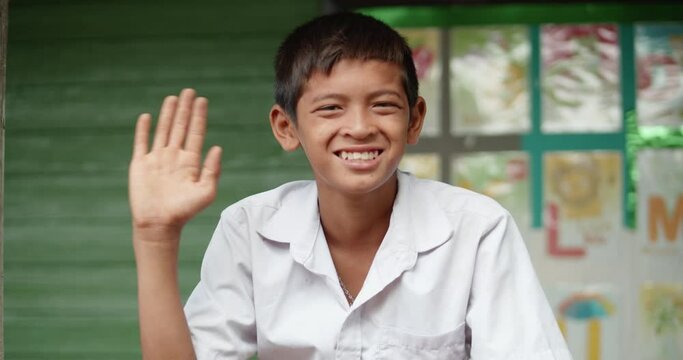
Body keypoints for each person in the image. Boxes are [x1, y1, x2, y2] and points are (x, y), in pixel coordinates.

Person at [129, 12, 572, 360]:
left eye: (383, 105)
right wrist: (155, 237)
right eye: (330, 108)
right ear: (286, 127)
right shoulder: (250, 230)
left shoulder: (477, 230)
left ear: (414, 120)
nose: (359, 127)